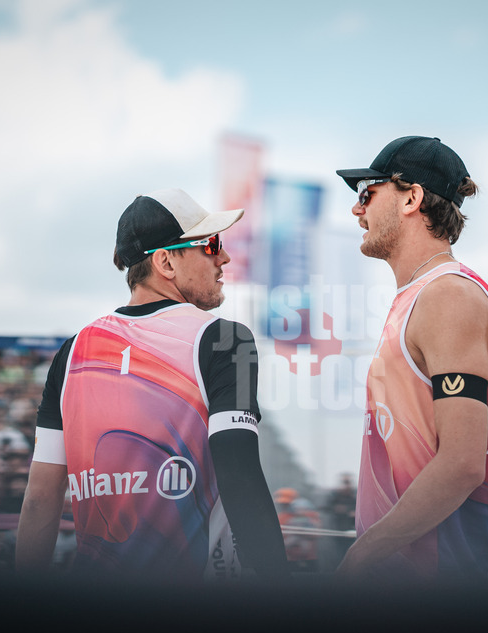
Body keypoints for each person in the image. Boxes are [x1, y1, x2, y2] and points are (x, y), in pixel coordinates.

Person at [16, 188, 289, 583]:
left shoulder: (72, 352)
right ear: (165, 262)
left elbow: (40, 500)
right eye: (211, 244)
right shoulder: (225, 339)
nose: (224, 258)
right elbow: (240, 476)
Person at [334, 136, 488, 582]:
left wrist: (361, 557)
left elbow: (462, 464)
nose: (358, 210)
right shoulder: (419, 296)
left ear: (412, 197)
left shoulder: (448, 296)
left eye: (367, 194)